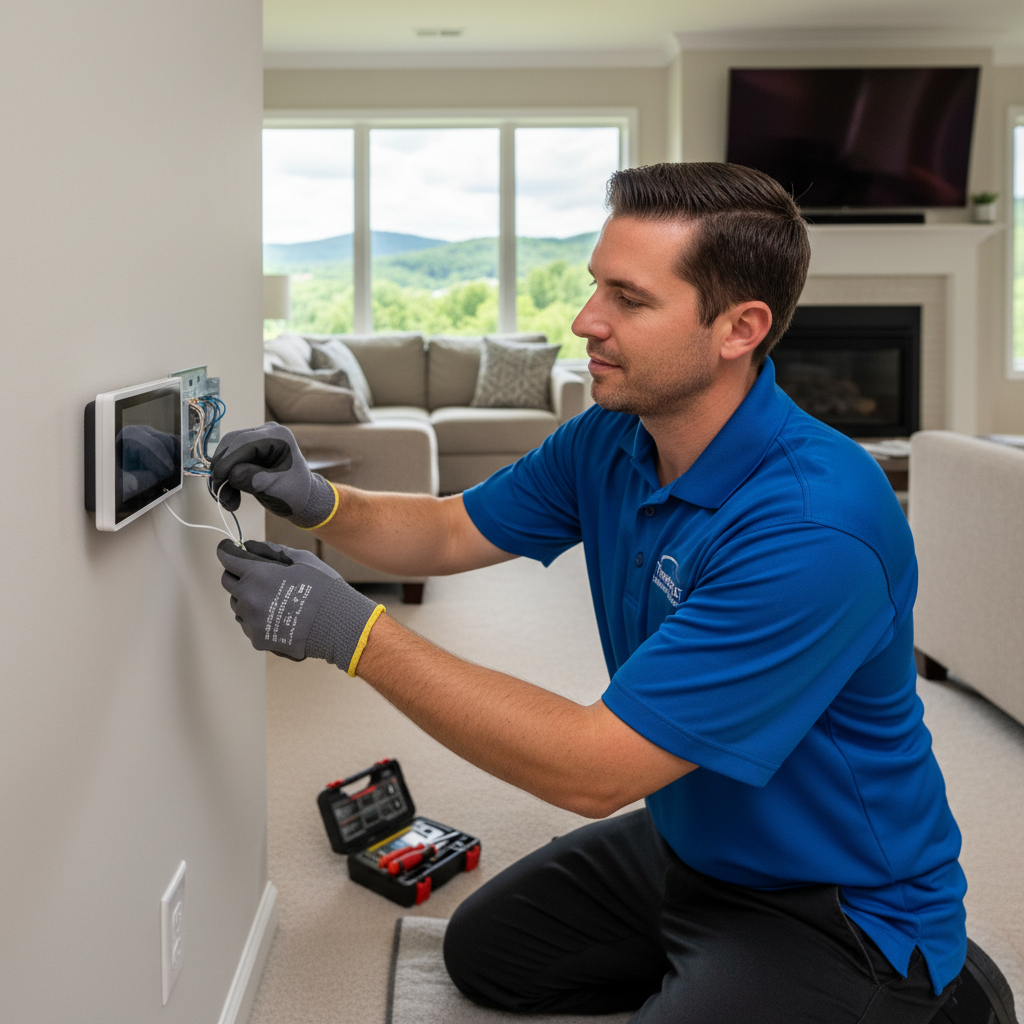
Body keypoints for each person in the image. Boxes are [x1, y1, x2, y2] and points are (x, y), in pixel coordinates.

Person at [212, 163, 1016, 1024]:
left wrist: (354, 634)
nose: (584, 319)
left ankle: (938, 995)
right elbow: (450, 531)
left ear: (739, 329)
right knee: (488, 956)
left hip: (840, 902)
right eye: (597, 283)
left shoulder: (816, 529)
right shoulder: (613, 437)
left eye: (628, 299)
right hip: (688, 842)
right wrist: (322, 501)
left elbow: (594, 769)